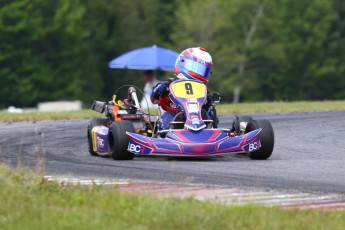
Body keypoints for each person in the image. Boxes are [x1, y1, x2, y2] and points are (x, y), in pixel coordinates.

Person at [150, 47, 218, 130]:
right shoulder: (169, 85)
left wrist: (209, 102)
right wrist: (162, 88)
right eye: (194, 67)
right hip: (174, 114)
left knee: (209, 114)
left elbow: (209, 111)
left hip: (197, 117)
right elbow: (153, 98)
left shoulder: (204, 90)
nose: (196, 72)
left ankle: (208, 135)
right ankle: (166, 137)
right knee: (166, 119)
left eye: (201, 69)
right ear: (182, 63)